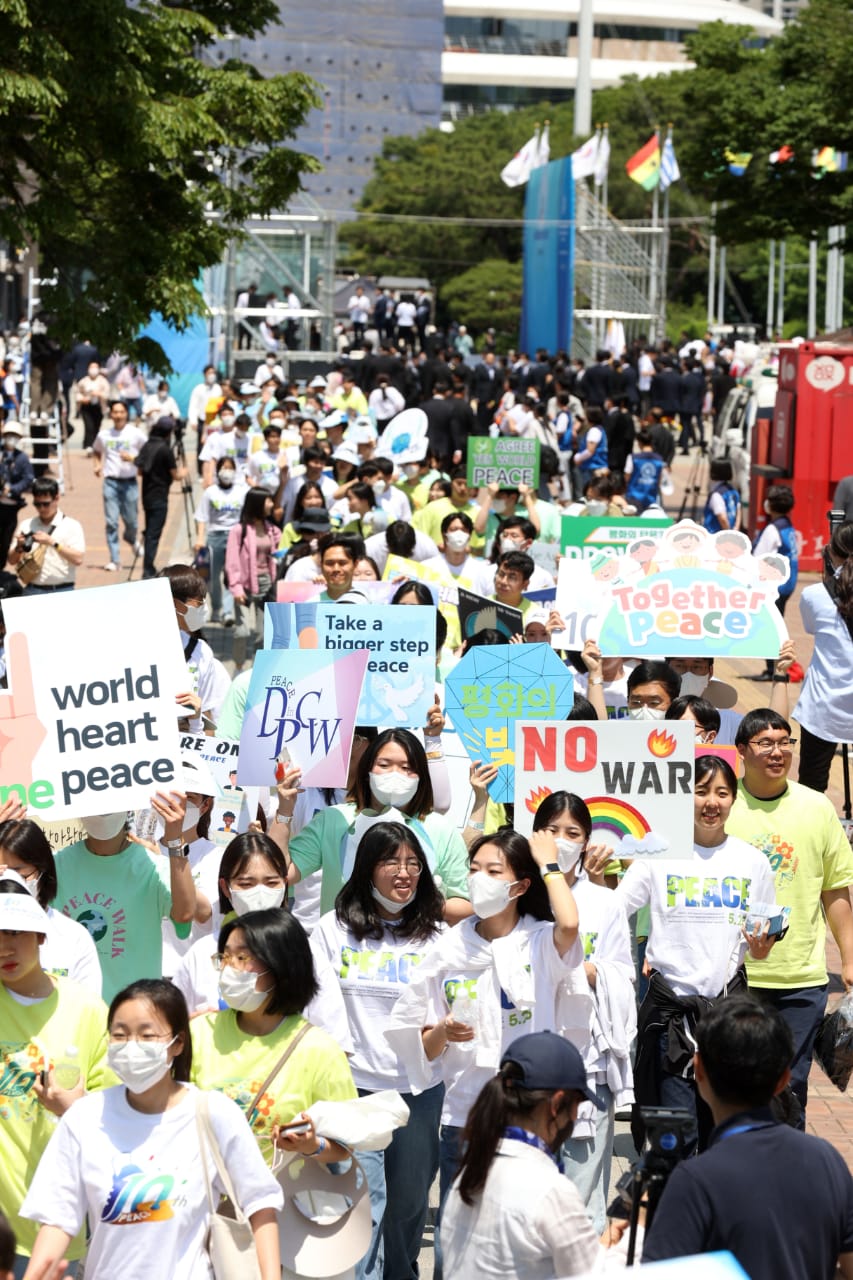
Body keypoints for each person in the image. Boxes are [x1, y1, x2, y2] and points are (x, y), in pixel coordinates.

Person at [385, 828, 585, 1277]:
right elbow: (421, 1043)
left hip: (527, 1117)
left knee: (526, 1242)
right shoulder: (448, 947)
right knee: (457, 1245)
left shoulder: (540, 940)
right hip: (464, 1117)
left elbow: (570, 924)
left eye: (493, 871)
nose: (479, 879)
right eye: (474, 869)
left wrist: (549, 861)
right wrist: (442, 1031)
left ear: (520, 887)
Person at [21, 978, 283, 1280]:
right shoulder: (84, 1117)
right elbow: (57, 1220)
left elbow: (260, 1204)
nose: (131, 1046)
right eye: (119, 1035)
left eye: (147, 1036)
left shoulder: (213, 1113)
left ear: (178, 1043)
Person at [614, 754, 778, 1153]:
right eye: (700, 791)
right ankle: (677, 1208)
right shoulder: (659, 855)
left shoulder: (752, 862)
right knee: (674, 1139)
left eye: (721, 793)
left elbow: (762, 944)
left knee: (724, 1134)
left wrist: (760, 945)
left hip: (728, 1018)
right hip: (671, 1020)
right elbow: (615, 910)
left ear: (733, 800)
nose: (711, 802)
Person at [312, 822, 446, 1280]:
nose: (404, 872)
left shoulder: (437, 935)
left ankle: (402, 1272)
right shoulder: (332, 931)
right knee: (365, 1206)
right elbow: (320, 1007)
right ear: (367, 868)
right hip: (356, 1088)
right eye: (392, 861)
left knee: (409, 1205)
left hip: (418, 1089)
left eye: (413, 863)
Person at [642, 997, 853, 1279]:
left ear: (699, 1070)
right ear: (783, 1080)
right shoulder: (827, 1161)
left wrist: (640, 1224)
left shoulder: (694, 1181)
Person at [727, 708, 853, 1119]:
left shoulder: (817, 808)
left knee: (790, 1085)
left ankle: (784, 1175)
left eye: (785, 742)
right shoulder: (722, 806)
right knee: (735, 1082)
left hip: (801, 978)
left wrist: (849, 958)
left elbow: (834, 889)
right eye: (766, 743)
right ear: (742, 750)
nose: (778, 751)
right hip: (735, 974)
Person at [439, 1032, 626, 1279]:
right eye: (576, 1107)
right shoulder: (550, 1190)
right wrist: (637, 1229)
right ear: (556, 1104)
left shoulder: (469, 1172)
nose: (574, 1119)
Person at [531, 792, 634, 1233]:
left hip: (587, 1065)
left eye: (572, 833)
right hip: (529, 1064)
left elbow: (623, 974)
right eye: (552, 831)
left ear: (587, 840)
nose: (561, 841)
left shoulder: (606, 903)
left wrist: (584, 969)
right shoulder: (521, 897)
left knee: (582, 1188)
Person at [0, 874, 111, 1276]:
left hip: (52, 1226)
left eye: (14, 933)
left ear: (41, 935)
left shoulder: (87, 1010)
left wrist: (76, 1109)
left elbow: (119, 1116)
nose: (4, 947)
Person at [189, 909, 357, 1161]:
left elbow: (345, 1146)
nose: (229, 968)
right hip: (205, 1195)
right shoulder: (199, 1032)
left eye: (242, 957)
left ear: (281, 965)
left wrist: (310, 1145)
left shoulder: (319, 1050)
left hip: (280, 1194)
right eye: (224, 957)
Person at [284, 728, 470, 922]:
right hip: (345, 946)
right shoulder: (334, 819)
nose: (395, 774)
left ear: (421, 776)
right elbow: (282, 873)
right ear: (367, 771)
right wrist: (284, 811)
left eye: (406, 768)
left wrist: (422, 902)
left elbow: (466, 902)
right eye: (384, 765)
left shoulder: (440, 829)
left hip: (416, 946)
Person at [53, 801, 196, 1004]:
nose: (103, 810)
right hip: (73, 1015)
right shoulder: (54, 866)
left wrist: (175, 842)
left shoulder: (153, 867)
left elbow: (184, 915)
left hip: (136, 1017)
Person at [0, 817, 101, 993]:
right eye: (2, 873)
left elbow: (88, 1007)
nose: (11, 882)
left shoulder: (73, 937)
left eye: (19, 873)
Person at [793, 521, 853, 792]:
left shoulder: (815, 594)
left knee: (811, 789)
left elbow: (810, 626)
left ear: (831, 552)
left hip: (822, 707)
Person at [160, 563, 231, 731]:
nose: (203, 609)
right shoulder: (134, 648)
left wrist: (195, 720)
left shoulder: (201, 652)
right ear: (175, 605)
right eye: (197, 603)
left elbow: (209, 723)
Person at [224, 488, 281, 664]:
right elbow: (231, 561)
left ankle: (257, 672)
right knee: (242, 632)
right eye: (268, 501)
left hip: (267, 584)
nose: (272, 504)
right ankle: (239, 667)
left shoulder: (272, 530)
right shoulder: (238, 530)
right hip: (244, 584)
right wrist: (236, 587)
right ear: (257, 504)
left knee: (262, 633)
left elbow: (280, 553)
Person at [5, 478, 85, 595]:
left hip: (63, 590)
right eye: (37, 504)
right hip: (33, 590)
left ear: (57, 498)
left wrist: (52, 543)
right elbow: (12, 561)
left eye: (46, 504)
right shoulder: (27, 524)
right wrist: (19, 547)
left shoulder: (71, 525)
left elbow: (78, 559)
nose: (41, 509)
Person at [92, 401, 146, 572]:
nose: (118, 415)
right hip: (111, 482)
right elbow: (96, 450)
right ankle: (115, 560)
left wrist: (136, 461)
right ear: (111, 414)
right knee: (111, 522)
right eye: (115, 412)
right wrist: (97, 465)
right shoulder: (104, 435)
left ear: (126, 414)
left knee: (132, 521)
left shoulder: (135, 433)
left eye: (121, 412)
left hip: (130, 482)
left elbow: (147, 451)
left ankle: (131, 539)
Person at [192, 456, 247, 625]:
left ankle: (228, 612)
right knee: (213, 577)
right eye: (223, 467)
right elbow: (201, 517)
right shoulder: (210, 492)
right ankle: (216, 608)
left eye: (230, 468)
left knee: (232, 575)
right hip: (215, 537)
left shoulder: (241, 491)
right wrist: (200, 539)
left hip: (235, 538)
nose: (227, 471)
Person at [135, 417, 185, 577]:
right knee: (153, 535)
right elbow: (175, 475)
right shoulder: (165, 449)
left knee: (150, 531)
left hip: (147, 495)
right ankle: (148, 570)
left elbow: (140, 470)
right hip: (159, 496)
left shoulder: (148, 445)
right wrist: (184, 472)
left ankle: (148, 567)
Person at [0, 422, 33, 570]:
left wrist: (12, 489)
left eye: (14, 436)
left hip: (11, 506)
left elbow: (28, 479)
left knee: (5, 540)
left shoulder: (22, 458)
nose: (11, 439)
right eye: (8, 436)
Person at [703, 457, 741, 533]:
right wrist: (736, 528)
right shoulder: (733, 491)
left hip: (716, 536)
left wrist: (728, 534)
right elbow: (738, 511)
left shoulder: (716, 495)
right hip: (732, 532)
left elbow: (722, 518)